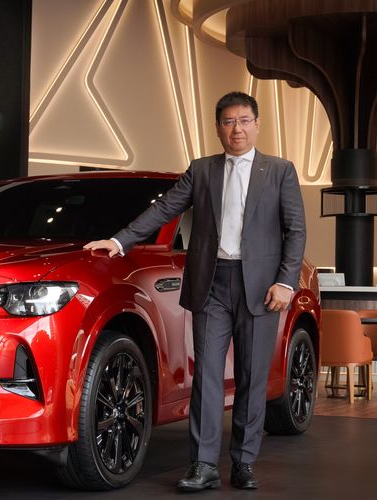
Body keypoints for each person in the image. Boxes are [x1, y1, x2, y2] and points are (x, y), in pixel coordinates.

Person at [84, 91, 306, 492]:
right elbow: (164, 208)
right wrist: (119, 242)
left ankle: (244, 462)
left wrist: (286, 281)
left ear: (256, 125)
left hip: (260, 288)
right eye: (227, 122)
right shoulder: (202, 170)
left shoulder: (280, 171)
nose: (236, 128)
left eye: (243, 121)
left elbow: (296, 231)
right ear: (218, 127)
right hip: (211, 283)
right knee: (205, 375)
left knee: (253, 378)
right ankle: (203, 466)